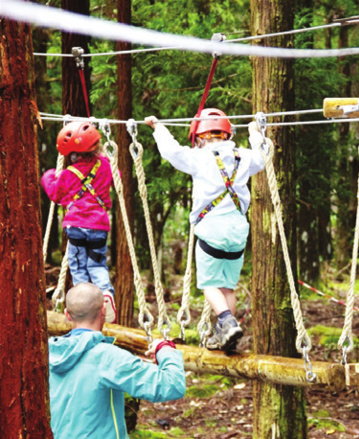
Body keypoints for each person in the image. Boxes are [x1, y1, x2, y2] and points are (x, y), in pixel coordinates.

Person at [145, 108, 269, 351]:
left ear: (200, 138)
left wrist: (158, 127)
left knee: (209, 284)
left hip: (212, 230)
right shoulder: (242, 157)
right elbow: (263, 157)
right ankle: (222, 335)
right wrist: (256, 133)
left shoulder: (199, 157)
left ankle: (226, 320)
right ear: (228, 134)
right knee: (227, 287)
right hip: (238, 231)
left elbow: (172, 151)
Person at [49, 282, 186, 438]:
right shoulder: (109, 358)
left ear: (67, 314)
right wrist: (165, 349)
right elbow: (172, 385)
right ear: (103, 310)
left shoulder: (46, 356)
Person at [42, 121, 117, 323]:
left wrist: (48, 175)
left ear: (73, 155)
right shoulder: (105, 166)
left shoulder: (67, 174)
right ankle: (106, 293)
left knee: (78, 267)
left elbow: (55, 194)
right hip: (99, 226)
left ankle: (82, 306)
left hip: (75, 227)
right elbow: (113, 177)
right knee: (97, 264)